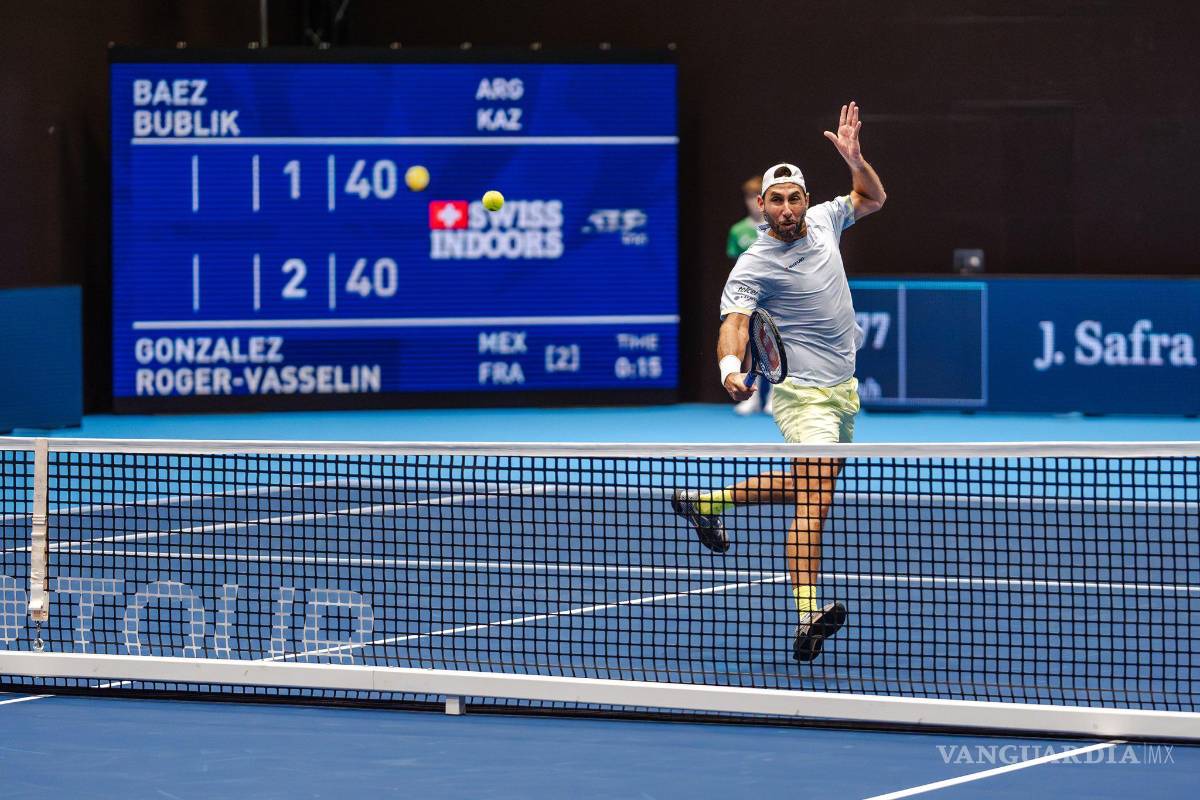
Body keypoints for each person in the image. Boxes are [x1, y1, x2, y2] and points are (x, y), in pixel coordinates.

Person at [674, 101, 886, 663]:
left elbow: (872, 198)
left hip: (844, 390)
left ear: (805, 201)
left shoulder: (826, 219)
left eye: (795, 197)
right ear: (762, 206)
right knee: (814, 499)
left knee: (809, 484)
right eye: (777, 199)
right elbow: (735, 324)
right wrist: (729, 370)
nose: (787, 207)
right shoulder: (752, 264)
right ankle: (806, 612)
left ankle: (707, 502)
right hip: (802, 395)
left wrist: (856, 159)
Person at [726, 175, 773, 416]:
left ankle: (774, 400)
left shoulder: (776, 229)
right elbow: (737, 269)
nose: (751, 203)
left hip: (775, 298)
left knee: (776, 347)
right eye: (747, 198)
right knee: (751, 346)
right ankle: (751, 397)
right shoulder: (738, 231)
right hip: (748, 299)